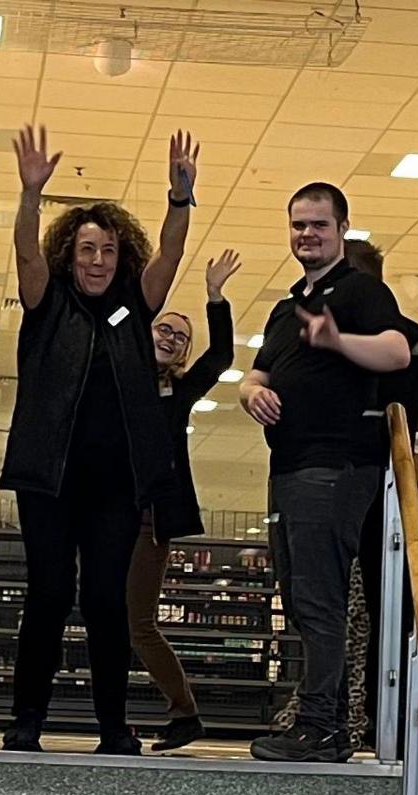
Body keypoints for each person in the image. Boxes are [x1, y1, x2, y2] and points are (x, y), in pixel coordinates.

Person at [0, 124, 199, 755]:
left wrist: (178, 199)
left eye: (108, 251)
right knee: (51, 594)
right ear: (71, 254)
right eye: (87, 250)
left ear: (121, 255)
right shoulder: (46, 300)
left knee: (107, 601)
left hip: (114, 487)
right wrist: (31, 194)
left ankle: (113, 727)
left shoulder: (135, 307)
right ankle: (26, 719)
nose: (97, 261)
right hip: (48, 481)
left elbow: (169, 257)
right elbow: (26, 254)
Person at [237, 182, 410, 763]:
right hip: (289, 464)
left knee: (319, 598)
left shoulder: (361, 290)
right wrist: (249, 391)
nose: (306, 234)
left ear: (341, 230)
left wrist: (339, 340)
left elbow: (396, 353)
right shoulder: (286, 308)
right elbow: (259, 372)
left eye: (318, 225)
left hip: (335, 464)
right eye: (298, 225)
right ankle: (329, 719)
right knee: (301, 592)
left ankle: (322, 724)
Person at [125, 248, 241, 753]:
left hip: (150, 519)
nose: (170, 339)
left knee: (139, 623)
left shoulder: (180, 391)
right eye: (164, 329)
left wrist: (216, 298)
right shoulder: (120, 380)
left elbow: (222, 358)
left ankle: (185, 712)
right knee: (114, 617)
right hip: (108, 513)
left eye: (179, 338)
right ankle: (126, 717)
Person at [345, 237, 418, 753]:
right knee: (396, 607)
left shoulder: (330, 330)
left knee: (325, 603)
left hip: (337, 476)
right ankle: (391, 716)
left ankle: (329, 713)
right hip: (391, 480)